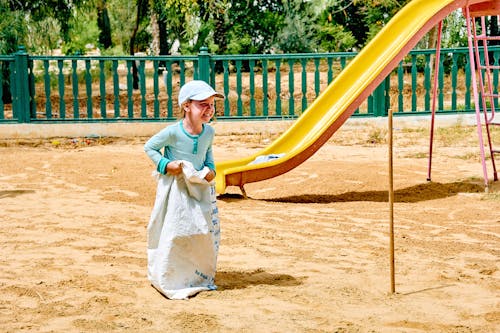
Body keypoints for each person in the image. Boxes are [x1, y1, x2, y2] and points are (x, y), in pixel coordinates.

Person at [144, 80, 223, 299]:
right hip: (175, 189)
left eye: (211, 104)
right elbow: (149, 147)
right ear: (186, 106)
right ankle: (169, 272)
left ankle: (194, 273)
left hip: (198, 189)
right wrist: (165, 165)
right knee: (175, 229)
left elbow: (208, 156)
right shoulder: (173, 132)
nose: (209, 109)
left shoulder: (208, 133)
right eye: (202, 104)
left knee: (199, 229)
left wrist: (211, 171)